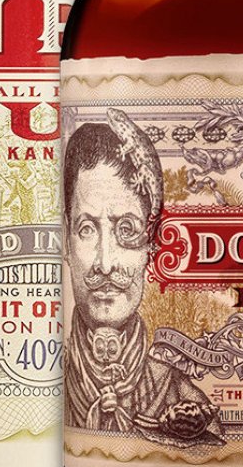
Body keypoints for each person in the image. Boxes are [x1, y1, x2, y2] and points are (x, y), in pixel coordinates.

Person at [63, 111, 221, 444]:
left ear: (153, 244)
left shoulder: (182, 396)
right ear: (65, 238)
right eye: (87, 229)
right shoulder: (39, 389)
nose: (105, 264)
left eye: (127, 230)